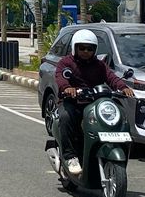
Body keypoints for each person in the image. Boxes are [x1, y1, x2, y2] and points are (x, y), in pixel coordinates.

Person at [53, 28, 134, 181]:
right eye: (82, 48)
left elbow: (111, 77)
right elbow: (60, 77)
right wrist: (67, 88)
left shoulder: (99, 65)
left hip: (93, 102)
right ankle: (70, 157)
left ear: (94, 50)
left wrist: (123, 87)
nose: (85, 52)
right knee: (66, 117)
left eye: (89, 49)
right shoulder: (66, 63)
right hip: (72, 102)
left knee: (115, 115)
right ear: (75, 48)